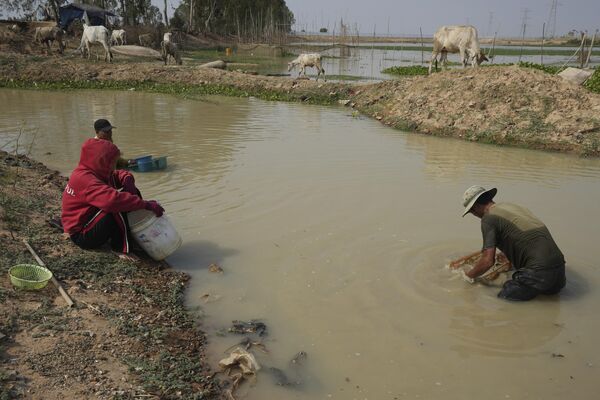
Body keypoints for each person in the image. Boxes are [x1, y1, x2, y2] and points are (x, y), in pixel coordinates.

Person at [61, 138, 164, 261]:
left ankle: (133, 233)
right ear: (101, 161)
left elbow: (117, 175)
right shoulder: (86, 179)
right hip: (82, 235)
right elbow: (113, 202)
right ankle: (121, 248)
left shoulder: (93, 172)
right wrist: (146, 205)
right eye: (112, 163)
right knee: (117, 207)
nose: (113, 167)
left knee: (130, 196)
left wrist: (127, 180)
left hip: (87, 222)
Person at [460, 185, 566, 301]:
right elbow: (526, 237)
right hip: (559, 276)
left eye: (472, 212)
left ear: (476, 207)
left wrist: (468, 276)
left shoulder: (488, 218)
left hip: (538, 273)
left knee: (503, 300)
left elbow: (487, 261)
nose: (475, 215)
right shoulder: (512, 207)